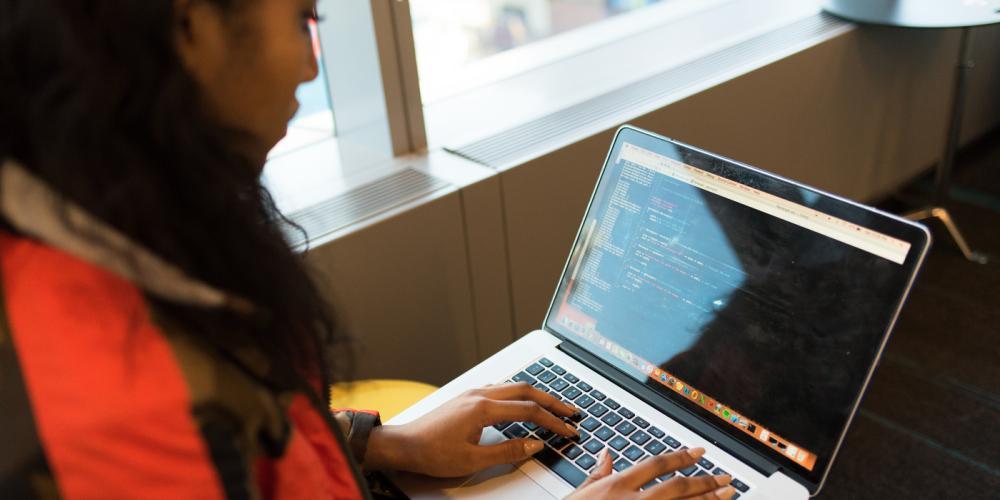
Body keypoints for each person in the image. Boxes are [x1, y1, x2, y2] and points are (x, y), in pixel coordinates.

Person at [0, 1, 735, 498]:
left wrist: (375, 446)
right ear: (192, 27)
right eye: (302, 18)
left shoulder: (93, 228)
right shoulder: (131, 413)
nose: (309, 68)